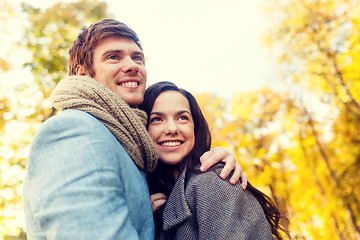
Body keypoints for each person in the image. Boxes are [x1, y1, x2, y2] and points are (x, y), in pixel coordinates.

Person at [22, 19, 247, 239]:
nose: (132, 65)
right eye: (113, 57)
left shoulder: (131, 148)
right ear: (83, 74)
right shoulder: (74, 130)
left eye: (137, 57)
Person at [140, 81, 286, 240]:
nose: (172, 129)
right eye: (157, 119)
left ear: (195, 128)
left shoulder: (213, 181)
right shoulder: (152, 200)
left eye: (182, 118)